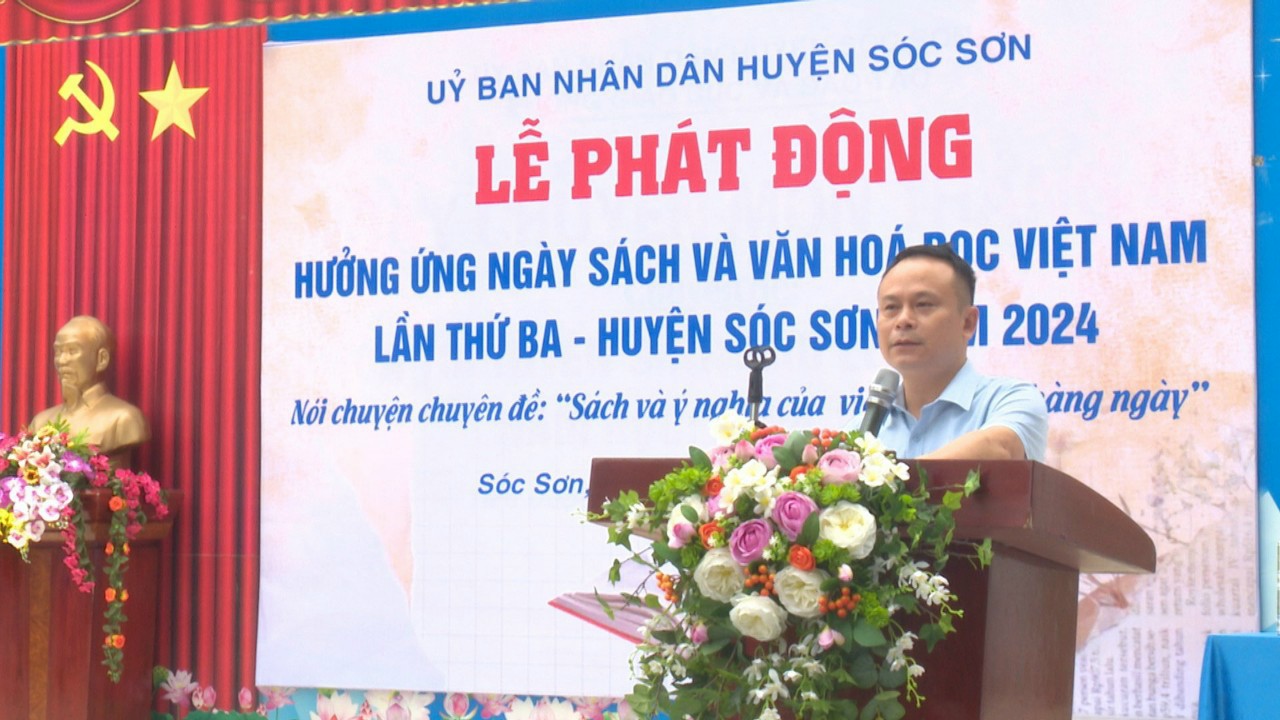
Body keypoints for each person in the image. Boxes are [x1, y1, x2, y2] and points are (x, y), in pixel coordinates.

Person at [864, 244, 1048, 461]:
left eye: (923, 304)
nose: (903, 320)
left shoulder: (1009, 400)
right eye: (891, 307)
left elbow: (1000, 448)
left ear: (968, 322)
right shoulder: (862, 431)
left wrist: (892, 476)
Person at [29, 315, 150, 469]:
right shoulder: (41, 422)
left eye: (72, 351)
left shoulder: (124, 419)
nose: (61, 361)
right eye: (58, 352)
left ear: (102, 359)